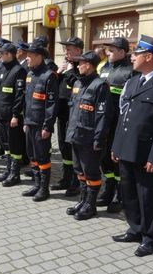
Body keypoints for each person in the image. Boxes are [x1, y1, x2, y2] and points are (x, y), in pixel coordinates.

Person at [111, 35, 153, 257]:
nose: (132, 57)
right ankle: (135, 228)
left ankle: (150, 237)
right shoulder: (132, 81)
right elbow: (124, 117)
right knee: (129, 192)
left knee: (148, 196)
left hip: (146, 153)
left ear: (149, 56)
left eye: (136, 54)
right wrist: (116, 146)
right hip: (126, 148)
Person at [64, 51, 112, 220]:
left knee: (91, 172)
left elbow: (102, 115)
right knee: (79, 170)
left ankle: (90, 206)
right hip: (75, 135)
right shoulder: (78, 82)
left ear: (89, 65)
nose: (78, 65)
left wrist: (99, 138)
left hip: (89, 138)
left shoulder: (100, 85)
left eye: (81, 63)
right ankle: (83, 201)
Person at [97, 37, 135, 213]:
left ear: (122, 52)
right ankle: (109, 189)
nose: (108, 53)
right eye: (108, 50)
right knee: (104, 158)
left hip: (119, 123)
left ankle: (120, 195)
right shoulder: (105, 68)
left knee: (117, 159)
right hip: (103, 121)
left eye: (112, 50)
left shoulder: (131, 71)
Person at [20, 38, 59, 202]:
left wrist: (47, 126)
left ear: (38, 57)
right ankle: (36, 184)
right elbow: (27, 101)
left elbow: (51, 104)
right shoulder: (30, 74)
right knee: (32, 155)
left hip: (41, 124)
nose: (27, 58)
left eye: (30, 55)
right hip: (30, 122)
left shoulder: (49, 76)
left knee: (42, 157)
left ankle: (44, 189)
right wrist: (24, 121)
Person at [0, 42, 27, 186]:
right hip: (1, 113)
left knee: (15, 145)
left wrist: (15, 115)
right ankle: (8, 170)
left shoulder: (18, 70)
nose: (0, 56)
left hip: (11, 116)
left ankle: (15, 173)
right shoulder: (2, 68)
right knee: (5, 144)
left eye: (2, 53)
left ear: (10, 54)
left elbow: (19, 96)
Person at [54, 37, 84, 196]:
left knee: (73, 149)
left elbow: (80, 85)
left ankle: (76, 182)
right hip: (62, 114)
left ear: (78, 50)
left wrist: (71, 71)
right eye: (66, 49)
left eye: (69, 49)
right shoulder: (67, 66)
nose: (66, 52)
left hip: (74, 116)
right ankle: (66, 177)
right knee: (63, 148)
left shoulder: (82, 66)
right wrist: (59, 73)